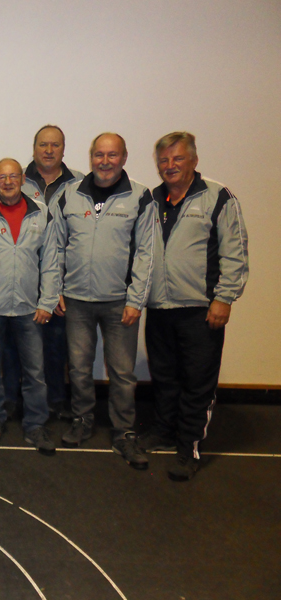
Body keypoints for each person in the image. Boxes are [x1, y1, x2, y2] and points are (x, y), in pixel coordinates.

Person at [139, 132, 248, 481]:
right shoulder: (151, 200)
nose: (170, 165)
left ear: (194, 161)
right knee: (164, 376)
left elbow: (235, 253)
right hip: (159, 307)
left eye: (178, 158)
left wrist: (224, 298)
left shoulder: (217, 196)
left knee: (198, 382)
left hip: (201, 310)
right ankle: (163, 430)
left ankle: (189, 449)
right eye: (164, 160)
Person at [53, 133, 156, 469]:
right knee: (79, 367)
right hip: (76, 300)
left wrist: (136, 299)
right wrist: (54, 289)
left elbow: (146, 251)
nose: (105, 161)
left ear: (123, 157)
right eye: (99, 154)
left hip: (119, 303)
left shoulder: (139, 196)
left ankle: (124, 431)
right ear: (91, 156)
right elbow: (55, 246)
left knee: (123, 372)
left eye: (112, 155)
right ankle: (82, 420)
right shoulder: (70, 194)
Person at [0, 159, 59, 452]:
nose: (8, 182)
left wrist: (47, 302)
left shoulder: (41, 212)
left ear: (22, 179)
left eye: (13, 176)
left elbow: (51, 261)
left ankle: (35, 425)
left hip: (29, 308)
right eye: (2, 177)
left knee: (35, 371)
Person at [18, 125, 84, 418]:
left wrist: (57, 287)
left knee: (56, 345)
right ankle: (23, 402)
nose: (48, 150)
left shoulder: (80, 183)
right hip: (23, 276)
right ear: (34, 148)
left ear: (63, 149)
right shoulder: (17, 179)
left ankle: (56, 401)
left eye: (55, 145)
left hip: (63, 281)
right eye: (43, 144)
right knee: (20, 346)